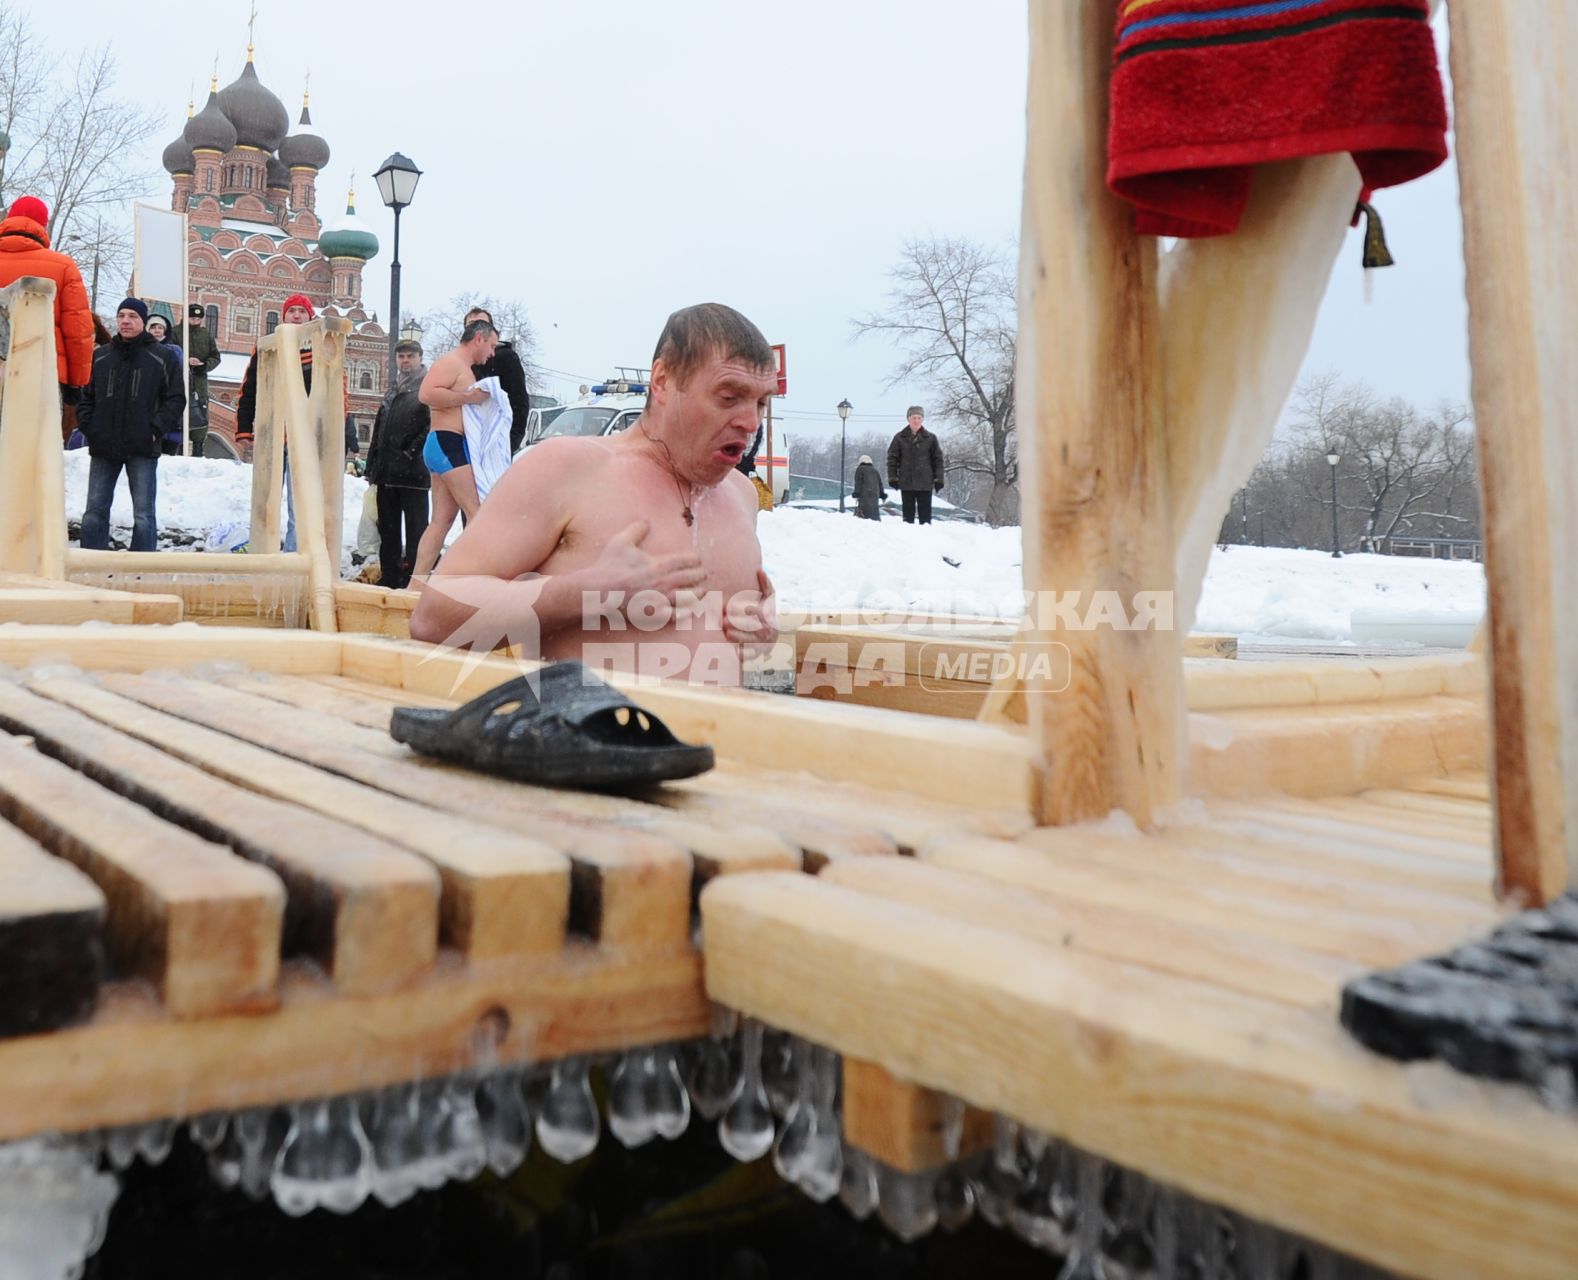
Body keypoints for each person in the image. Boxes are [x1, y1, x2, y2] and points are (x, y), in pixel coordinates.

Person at [409, 302, 778, 687]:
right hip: (590, 740)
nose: (750, 422)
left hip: (721, 742)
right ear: (663, 380)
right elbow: (433, 616)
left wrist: (760, 632)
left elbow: (708, 639)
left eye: (761, 402)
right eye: (729, 397)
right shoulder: (570, 468)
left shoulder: (741, 495)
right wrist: (591, 592)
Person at [76, 298, 184, 552]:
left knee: (144, 514)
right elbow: (86, 397)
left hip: (142, 446)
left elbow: (176, 398)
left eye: (133, 316)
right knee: (94, 510)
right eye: (122, 315)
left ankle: (143, 568)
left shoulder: (162, 356)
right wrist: (90, 427)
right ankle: (90, 564)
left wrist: (154, 429)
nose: (126, 320)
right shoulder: (101, 356)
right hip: (104, 445)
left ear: (143, 322)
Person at [409, 319, 497, 580]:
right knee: (477, 512)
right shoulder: (452, 362)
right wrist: (468, 398)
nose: (492, 353)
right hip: (446, 442)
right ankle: (470, 577)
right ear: (478, 339)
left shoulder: (463, 367)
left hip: (445, 445)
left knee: (442, 522)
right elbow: (426, 394)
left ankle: (417, 584)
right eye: (491, 346)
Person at [236, 294, 318, 552]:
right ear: (283, 316)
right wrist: (244, 427)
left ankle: (293, 555)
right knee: (265, 500)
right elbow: (249, 388)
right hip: (271, 432)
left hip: (303, 436)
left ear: (309, 317)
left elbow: (334, 394)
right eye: (291, 311)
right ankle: (263, 552)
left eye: (301, 312)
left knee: (299, 503)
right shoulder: (267, 347)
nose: (296, 315)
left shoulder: (320, 348)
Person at [0, 196, 94, 404]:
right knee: (32, 436)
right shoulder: (63, 267)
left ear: (8, 218)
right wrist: (76, 382)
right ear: (44, 225)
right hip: (40, 376)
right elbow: (77, 331)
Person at [365, 339, 431, 591]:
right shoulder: (393, 389)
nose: (405, 361)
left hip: (413, 474)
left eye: (410, 356)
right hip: (387, 472)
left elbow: (430, 425)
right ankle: (390, 576)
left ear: (420, 357)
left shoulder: (427, 387)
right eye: (401, 356)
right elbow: (380, 428)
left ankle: (416, 578)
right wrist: (373, 465)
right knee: (388, 532)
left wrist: (411, 451)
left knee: (417, 532)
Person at [463, 306, 530, 454]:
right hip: (466, 442)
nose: (476, 329)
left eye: (481, 324)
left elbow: (519, 402)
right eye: (471, 325)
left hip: (496, 442)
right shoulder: (460, 361)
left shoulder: (505, 358)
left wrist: (510, 443)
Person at [170, 302, 221, 458]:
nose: (195, 320)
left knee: (200, 410)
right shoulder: (176, 332)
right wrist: (185, 361)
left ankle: (198, 448)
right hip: (179, 379)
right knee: (178, 411)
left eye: (198, 318)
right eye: (192, 317)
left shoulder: (206, 335)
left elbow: (216, 357)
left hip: (199, 381)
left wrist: (204, 366)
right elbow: (170, 353)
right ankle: (177, 447)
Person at [887, 405, 945, 525]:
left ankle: (925, 538)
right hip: (906, 482)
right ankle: (908, 539)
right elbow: (892, 459)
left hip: (925, 482)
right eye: (914, 417)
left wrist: (939, 478)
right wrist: (893, 477)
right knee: (908, 518)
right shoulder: (899, 438)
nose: (916, 420)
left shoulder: (931, 438)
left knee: (925, 518)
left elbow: (938, 460)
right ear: (908, 419)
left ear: (922, 419)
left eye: (919, 417)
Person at [852, 453, 885, 520]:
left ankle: (866, 525)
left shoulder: (860, 469)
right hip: (875, 496)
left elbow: (858, 482)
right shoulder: (875, 470)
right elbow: (880, 483)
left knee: (865, 515)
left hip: (864, 495)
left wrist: (856, 493)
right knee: (874, 513)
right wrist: (882, 494)